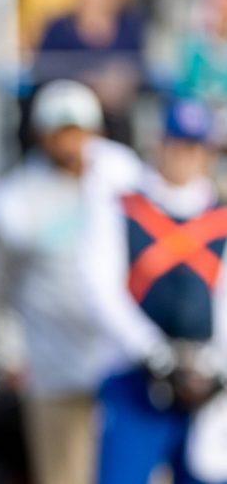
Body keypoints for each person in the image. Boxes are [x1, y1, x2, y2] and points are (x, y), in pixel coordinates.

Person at [0, 79, 141, 484]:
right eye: (62, 131)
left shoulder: (122, 177)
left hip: (125, 359)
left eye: (79, 130)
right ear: (42, 134)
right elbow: (0, 286)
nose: (71, 143)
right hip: (54, 364)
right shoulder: (16, 199)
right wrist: (7, 351)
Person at [85, 99, 227, 484]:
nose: (185, 156)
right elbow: (102, 289)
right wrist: (155, 353)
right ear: (160, 143)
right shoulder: (124, 207)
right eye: (177, 144)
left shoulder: (220, 214)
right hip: (136, 379)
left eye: (195, 147)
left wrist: (212, 367)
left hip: (208, 388)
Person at [32, 0, 146, 145]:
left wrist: (120, 82)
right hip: (66, 109)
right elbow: (43, 68)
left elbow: (138, 67)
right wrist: (89, 83)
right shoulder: (58, 27)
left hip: (114, 114)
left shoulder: (130, 26)